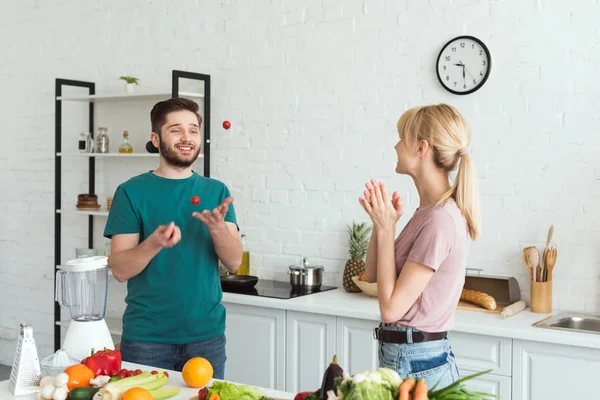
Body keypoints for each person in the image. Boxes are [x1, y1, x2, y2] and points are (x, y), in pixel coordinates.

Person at [103, 97, 242, 378]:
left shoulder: (216, 191)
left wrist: (217, 229)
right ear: (155, 139)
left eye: (193, 130)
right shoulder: (131, 192)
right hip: (146, 339)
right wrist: (153, 243)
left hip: (207, 337)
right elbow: (119, 269)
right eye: (176, 129)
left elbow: (234, 261)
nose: (187, 137)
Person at [358, 103, 481, 389]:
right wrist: (382, 225)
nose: (396, 145)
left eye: (402, 137)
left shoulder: (440, 220)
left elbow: (391, 309)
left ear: (422, 148)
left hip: (420, 364)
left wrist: (388, 230)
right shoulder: (427, 212)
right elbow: (373, 273)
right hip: (407, 358)